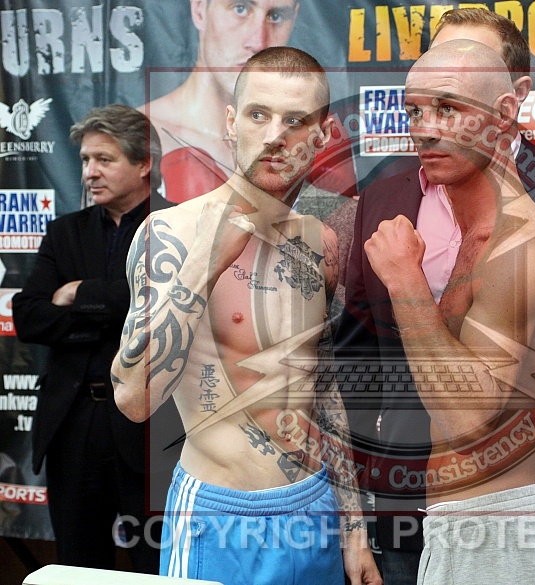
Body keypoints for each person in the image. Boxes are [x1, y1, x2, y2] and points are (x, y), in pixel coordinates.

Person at [337, 8, 535, 582]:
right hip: (405, 503)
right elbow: (356, 357)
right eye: (418, 106)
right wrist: (353, 518)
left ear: (509, 100)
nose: (428, 126)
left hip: (505, 511)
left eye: (452, 101)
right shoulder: (383, 197)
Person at [112, 47, 381, 585]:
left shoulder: (320, 244)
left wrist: (353, 528)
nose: (275, 136)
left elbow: (322, 387)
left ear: (323, 135)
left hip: (314, 507)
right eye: (259, 114)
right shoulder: (170, 234)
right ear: (232, 122)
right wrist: (204, 266)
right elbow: (134, 400)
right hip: (219, 516)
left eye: (295, 120)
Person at [12, 104, 171, 572]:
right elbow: (30, 318)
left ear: (143, 164)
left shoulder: (179, 225)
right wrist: (116, 309)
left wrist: (79, 294)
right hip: (73, 423)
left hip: (151, 428)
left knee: (156, 566)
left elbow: (164, 307)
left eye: (104, 159)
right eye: (84, 160)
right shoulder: (65, 232)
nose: (89, 172)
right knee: (77, 567)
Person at [142, 0, 354, 203]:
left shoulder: (318, 145)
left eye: (276, 16)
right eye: (240, 8)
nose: (259, 42)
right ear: (199, 9)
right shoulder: (142, 135)